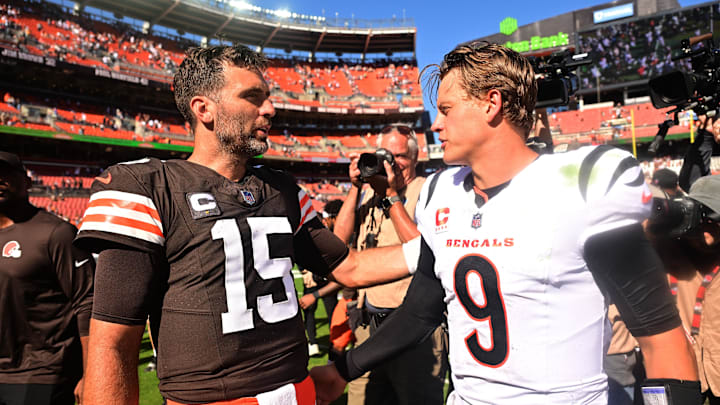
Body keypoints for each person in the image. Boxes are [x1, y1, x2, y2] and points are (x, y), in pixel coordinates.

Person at [310, 42, 701, 405]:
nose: (436, 126)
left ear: (491, 103)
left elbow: (661, 339)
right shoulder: (442, 193)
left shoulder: (582, 185)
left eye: (446, 110)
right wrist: (344, 370)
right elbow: (420, 312)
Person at [74, 44, 410, 405]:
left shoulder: (280, 189)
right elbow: (112, 345)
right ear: (204, 109)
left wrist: (442, 247)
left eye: (267, 97)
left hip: (298, 392)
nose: (270, 109)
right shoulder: (149, 187)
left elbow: (350, 266)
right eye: (253, 97)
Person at [332, 123, 448, 405]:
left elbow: (426, 253)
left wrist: (392, 196)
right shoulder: (371, 192)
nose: (391, 163)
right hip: (369, 324)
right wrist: (356, 187)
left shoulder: (428, 190)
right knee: (362, 400)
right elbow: (338, 240)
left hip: (414, 330)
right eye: (384, 155)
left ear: (415, 159)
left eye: (399, 156)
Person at [0, 151, 94, 405]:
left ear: (28, 182)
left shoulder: (56, 234)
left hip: (42, 372)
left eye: (6, 174)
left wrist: (91, 375)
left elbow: (87, 304)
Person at [648, 174, 720, 404]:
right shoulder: (666, 248)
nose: (707, 222)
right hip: (683, 373)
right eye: (702, 213)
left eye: (714, 214)